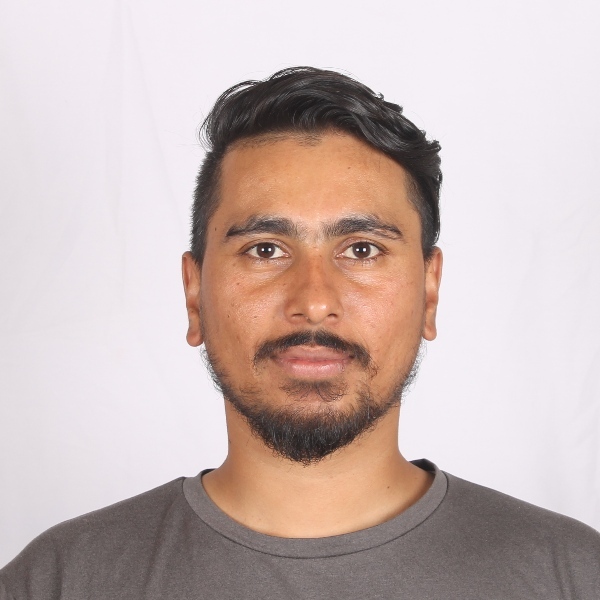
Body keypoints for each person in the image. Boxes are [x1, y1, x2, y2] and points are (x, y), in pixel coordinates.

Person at [1, 66, 598, 599]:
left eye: (362, 249)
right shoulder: (55, 582)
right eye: (265, 249)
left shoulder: (574, 576)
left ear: (429, 290)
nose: (314, 302)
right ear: (195, 293)